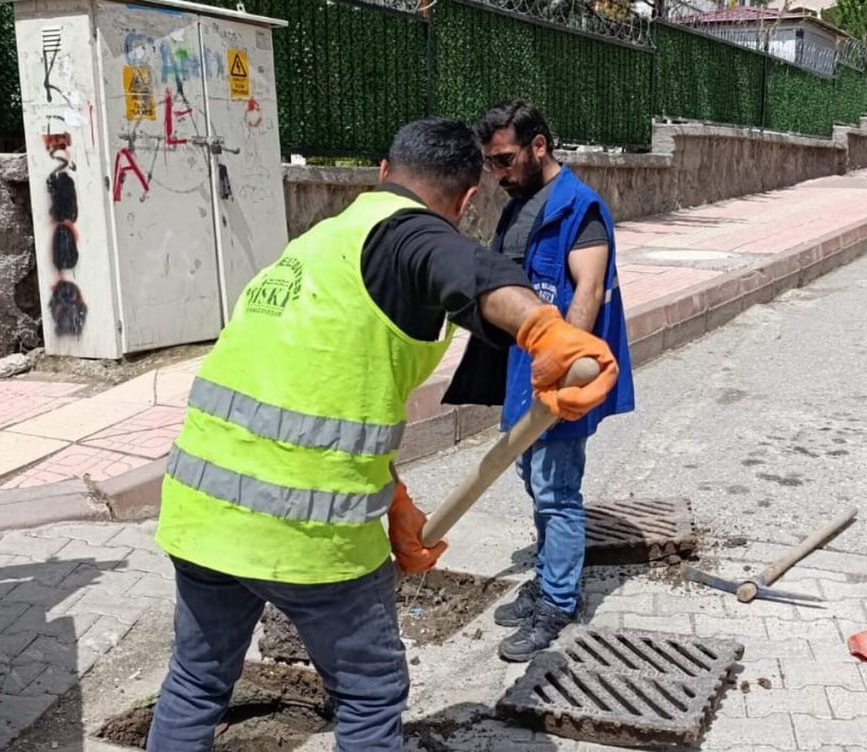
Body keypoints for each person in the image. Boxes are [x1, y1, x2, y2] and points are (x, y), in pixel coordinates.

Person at [146, 116, 620, 751]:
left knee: (196, 685)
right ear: (468, 200)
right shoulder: (415, 235)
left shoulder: (316, 245)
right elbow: (472, 271)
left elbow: (317, 398)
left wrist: (391, 498)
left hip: (199, 516)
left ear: (381, 173)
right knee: (369, 695)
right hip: (307, 536)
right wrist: (543, 328)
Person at [445, 100, 636, 663]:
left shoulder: (580, 207)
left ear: (539, 146)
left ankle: (558, 600)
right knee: (535, 479)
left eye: (504, 159)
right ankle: (552, 577)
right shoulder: (521, 202)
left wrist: (560, 372)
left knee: (557, 491)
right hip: (526, 373)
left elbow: (588, 288)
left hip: (560, 379)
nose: (497, 173)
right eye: (491, 163)